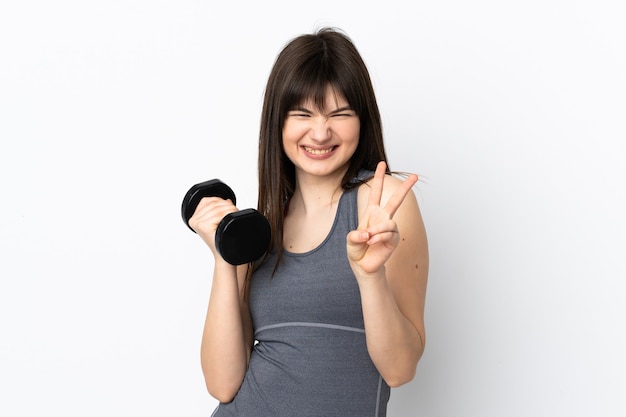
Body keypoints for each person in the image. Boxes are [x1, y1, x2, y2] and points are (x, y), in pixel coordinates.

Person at [188, 27, 429, 417]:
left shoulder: (382, 205)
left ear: (361, 120)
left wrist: (370, 278)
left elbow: (400, 370)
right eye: (302, 114)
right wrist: (223, 260)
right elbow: (222, 383)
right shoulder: (264, 226)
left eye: (339, 114)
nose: (320, 133)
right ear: (278, 122)